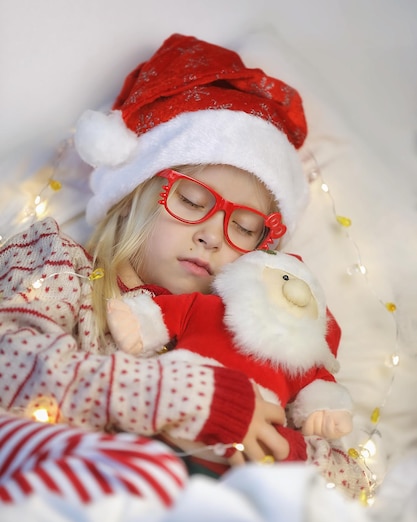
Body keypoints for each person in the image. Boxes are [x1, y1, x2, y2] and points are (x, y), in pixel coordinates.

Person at [0, 33, 347, 487]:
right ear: (134, 193)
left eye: (243, 228)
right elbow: (11, 363)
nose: (210, 236)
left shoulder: (259, 336)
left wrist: (279, 450)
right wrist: (190, 399)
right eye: (191, 200)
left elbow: (354, 476)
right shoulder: (57, 266)